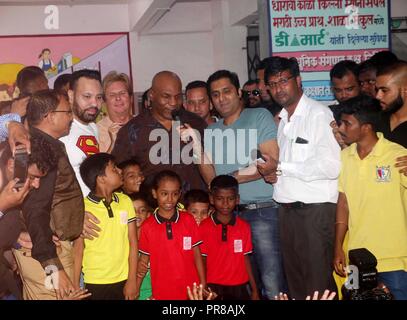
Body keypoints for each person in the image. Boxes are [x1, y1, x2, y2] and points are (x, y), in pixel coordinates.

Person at [190, 69, 285, 299]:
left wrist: (231, 178)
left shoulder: (259, 116)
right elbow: (211, 180)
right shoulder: (211, 131)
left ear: (238, 92)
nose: (221, 98)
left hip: (262, 212)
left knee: (271, 281)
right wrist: (196, 144)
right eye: (215, 94)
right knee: (238, 284)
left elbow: (270, 161)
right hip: (227, 219)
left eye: (226, 91)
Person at [263, 56, 340, 299]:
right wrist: (275, 174)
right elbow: (289, 167)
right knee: (295, 284)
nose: (278, 88)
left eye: (283, 81)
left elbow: (331, 166)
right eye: (273, 84)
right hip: (288, 212)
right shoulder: (283, 120)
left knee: (318, 285)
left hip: (315, 213)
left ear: (298, 80)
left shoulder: (318, 114)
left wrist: (282, 167)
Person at [333, 95, 407, 300]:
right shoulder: (344, 157)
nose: (340, 128)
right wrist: (338, 246)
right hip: (356, 257)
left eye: (347, 123)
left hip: (394, 258)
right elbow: (343, 203)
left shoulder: (397, 155)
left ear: (366, 127)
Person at [16, 90, 84, 300]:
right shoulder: (41, 150)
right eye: (67, 111)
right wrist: (54, 268)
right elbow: (35, 210)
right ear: (49, 116)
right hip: (47, 251)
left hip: (47, 248)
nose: (71, 117)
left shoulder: (42, 143)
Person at [112, 71, 207, 193]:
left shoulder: (196, 123)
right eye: (166, 96)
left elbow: (212, 169)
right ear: (152, 95)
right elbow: (118, 175)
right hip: (153, 209)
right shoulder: (132, 130)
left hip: (195, 208)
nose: (173, 103)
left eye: (178, 97)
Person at [74, 153, 138, 300]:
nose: (120, 171)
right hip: (94, 282)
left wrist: (132, 280)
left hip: (124, 279)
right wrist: (75, 283)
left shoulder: (125, 201)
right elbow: (78, 250)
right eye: (114, 169)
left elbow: (133, 242)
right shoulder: (83, 208)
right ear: (101, 179)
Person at [136, 170, 206, 300]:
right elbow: (143, 262)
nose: (169, 199)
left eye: (174, 194)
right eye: (164, 194)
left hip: (191, 290)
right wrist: (136, 288)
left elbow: (197, 254)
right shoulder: (147, 226)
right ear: (154, 193)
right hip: (162, 291)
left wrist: (203, 282)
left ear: (179, 194)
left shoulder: (188, 220)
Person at [200, 175, 259, 300]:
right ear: (211, 199)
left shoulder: (243, 227)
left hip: (239, 285)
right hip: (213, 286)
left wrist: (254, 290)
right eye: (220, 199)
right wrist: (204, 285)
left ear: (237, 199)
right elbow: (202, 260)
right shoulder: (204, 227)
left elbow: (246, 258)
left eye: (230, 198)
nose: (225, 204)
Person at [60, 69, 103, 195]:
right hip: (72, 210)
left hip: (95, 208)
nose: (94, 103)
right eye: (87, 96)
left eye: (99, 97)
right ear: (71, 96)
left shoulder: (93, 128)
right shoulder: (60, 129)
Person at [97, 71, 134, 153]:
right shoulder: (96, 131)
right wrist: (113, 143)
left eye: (122, 93)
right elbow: (100, 166)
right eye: (112, 95)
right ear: (104, 101)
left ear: (131, 98)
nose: (118, 98)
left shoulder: (143, 124)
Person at [376, 60, 407, 148]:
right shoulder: (374, 120)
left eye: (384, 90)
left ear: (405, 90)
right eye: (377, 90)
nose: (378, 96)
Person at [129, 192, 152, 300]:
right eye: (132, 210)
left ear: (148, 215)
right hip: (129, 291)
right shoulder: (123, 241)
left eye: (142, 210)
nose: (137, 213)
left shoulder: (153, 239)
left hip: (152, 292)